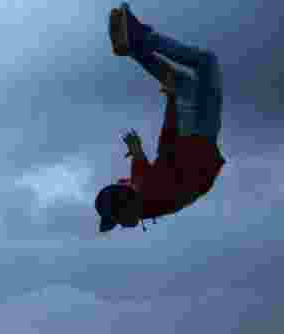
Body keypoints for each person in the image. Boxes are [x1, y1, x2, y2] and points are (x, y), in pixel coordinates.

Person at [96, 3, 226, 233]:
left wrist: (172, 105)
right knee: (189, 76)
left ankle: (139, 40)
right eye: (119, 221)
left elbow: (166, 151)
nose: (124, 226)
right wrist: (137, 151)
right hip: (193, 139)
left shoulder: (149, 194)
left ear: (128, 201)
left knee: (205, 62)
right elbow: (153, 163)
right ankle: (135, 45)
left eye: (119, 219)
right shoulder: (146, 195)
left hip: (197, 136)